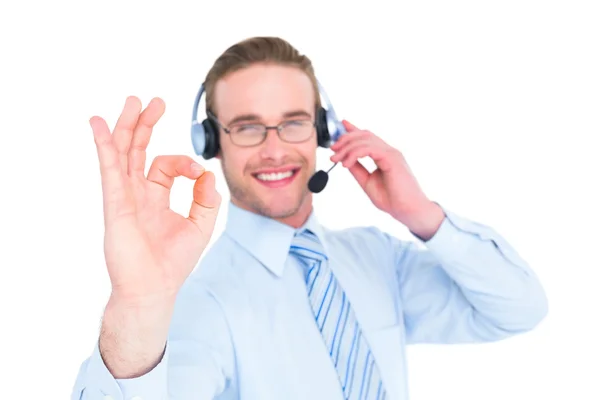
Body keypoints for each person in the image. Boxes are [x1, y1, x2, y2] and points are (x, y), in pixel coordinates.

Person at [71, 37, 548, 400]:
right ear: (211, 142)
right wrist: (137, 306)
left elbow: (519, 309)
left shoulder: (378, 258)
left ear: (322, 130)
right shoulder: (200, 301)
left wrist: (421, 214)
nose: (275, 148)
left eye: (294, 121)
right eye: (247, 127)